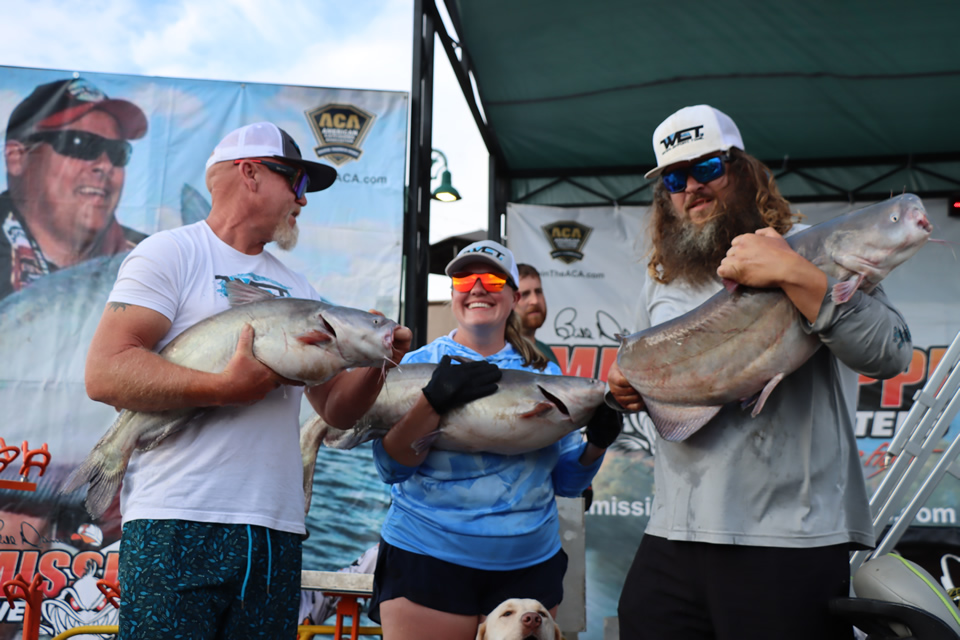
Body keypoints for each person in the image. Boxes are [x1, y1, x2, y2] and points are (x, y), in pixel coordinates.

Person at [83, 121, 411, 640]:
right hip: (176, 519)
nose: (303, 202)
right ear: (251, 173)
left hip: (274, 529)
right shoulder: (171, 253)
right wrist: (222, 389)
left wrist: (377, 359)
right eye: (297, 184)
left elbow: (338, 412)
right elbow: (105, 372)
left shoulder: (299, 287)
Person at [609, 105, 914, 640]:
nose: (691, 190)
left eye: (707, 169)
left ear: (743, 169)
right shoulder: (661, 282)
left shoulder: (818, 245)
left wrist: (795, 273)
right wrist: (620, 390)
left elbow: (889, 354)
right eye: (675, 179)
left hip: (789, 539)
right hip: (673, 534)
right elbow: (632, 370)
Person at [367, 239, 622, 640]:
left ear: (514, 296)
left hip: (528, 565)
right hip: (427, 556)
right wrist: (430, 402)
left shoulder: (545, 371)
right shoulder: (415, 365)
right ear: (453, 293)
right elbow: (391, 467)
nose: (478, 287)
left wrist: (598, 444)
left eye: (492, 277)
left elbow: (568, 483)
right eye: (465, 278)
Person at [2, 77, 148, 298]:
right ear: (17, 157)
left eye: (118, 151)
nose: (105, 165)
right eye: (79, 144)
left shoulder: (152, 259)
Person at [515, 263, 560, 367]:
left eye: (538, 292)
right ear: (510, 300)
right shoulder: (500, 352)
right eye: (525, 294)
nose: (534, 301)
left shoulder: (546, 351)